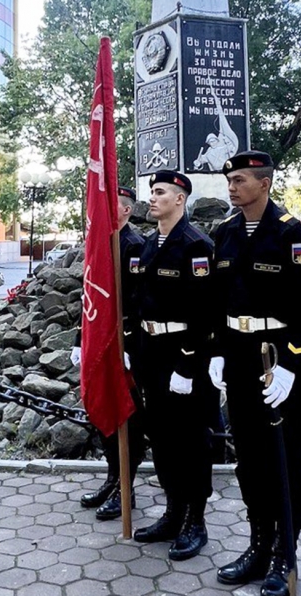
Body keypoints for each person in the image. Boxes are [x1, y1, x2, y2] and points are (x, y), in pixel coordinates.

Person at [208, 150, 301, 596]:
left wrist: (292, 364)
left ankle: (284, 554)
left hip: (275, 358)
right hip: (237, 354)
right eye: (230, 180)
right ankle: (258, 544)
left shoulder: (292, 233)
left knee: (285, 456)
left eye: (239, 180)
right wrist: (216, 351)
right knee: (249, 455)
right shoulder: (226, 233)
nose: (232, 187)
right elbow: (218, 300)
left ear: (264, 183)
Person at [132, 170, 216, 561]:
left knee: (190, 441)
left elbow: (204, 313)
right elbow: (139, 301)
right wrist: (133, 346)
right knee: (162, 438)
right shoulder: (150, 244)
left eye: (160, 192)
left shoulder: (195, 245)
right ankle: (173, 511)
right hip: (152, 351)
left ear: (179, 199)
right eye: (152, 191)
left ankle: (195, 521)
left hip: (183, 356)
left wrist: (187, 364)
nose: (152, 198)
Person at [72, 186, 148, 521]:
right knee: (102, 413)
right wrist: (79, 340)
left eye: (110, 205)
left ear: (127, 210)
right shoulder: (99, 244)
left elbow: (138, 303)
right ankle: (111, 478)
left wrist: (129, 347)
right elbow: (91, 297)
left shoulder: (134, 246)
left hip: (123, 349)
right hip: (100, 345)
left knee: (127, 421)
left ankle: (125, 489)